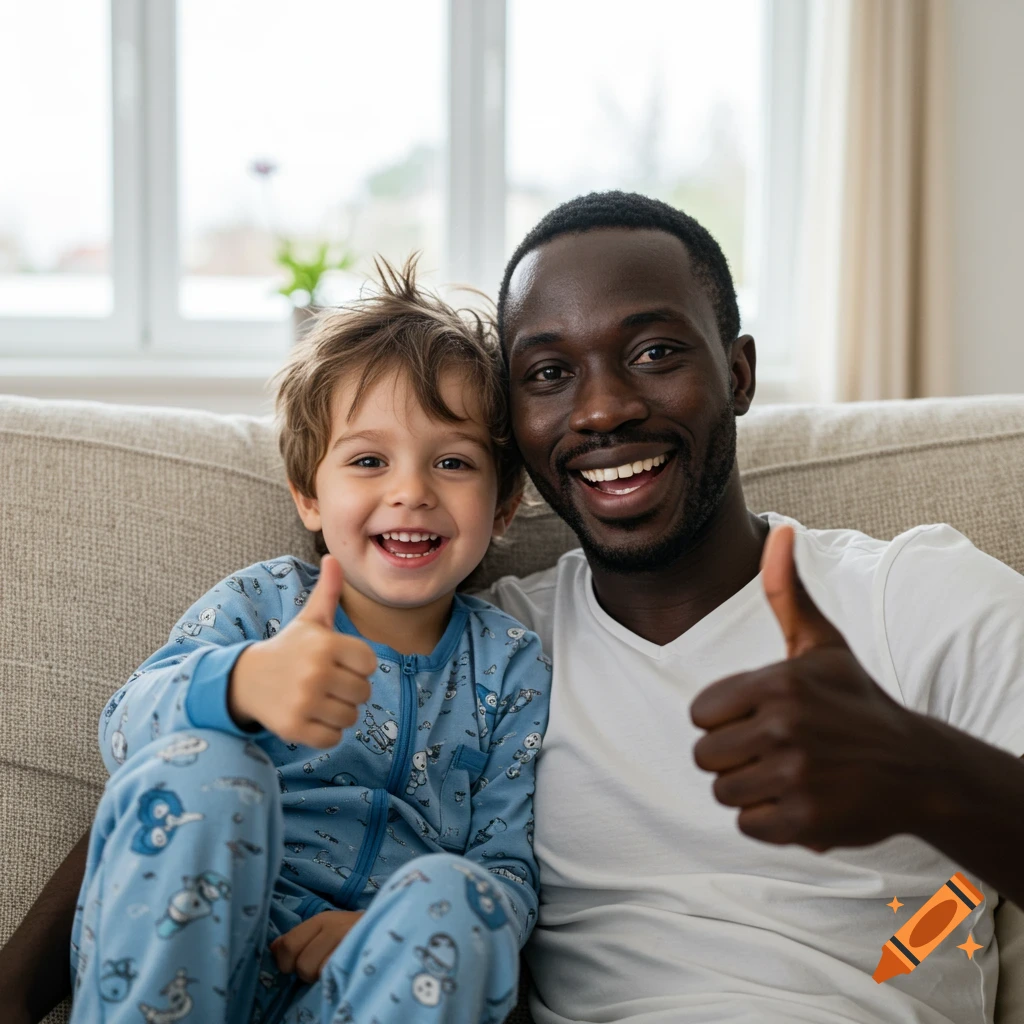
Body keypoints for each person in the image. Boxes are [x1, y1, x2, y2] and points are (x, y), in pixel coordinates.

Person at [5, 191, 1024, 1024]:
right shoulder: (510, 631)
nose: (601, 406)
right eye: (546, 373)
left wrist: (920, 771)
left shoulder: (910, 595)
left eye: (656, 351)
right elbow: (154, 781)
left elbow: (482, 886)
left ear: (739, 372)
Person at [63, 259, 550, 1024]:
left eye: (453, 462)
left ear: (504, 506)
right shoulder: (263, 603)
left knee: (466, 896)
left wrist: (378, 928)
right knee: (204, 766)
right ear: (308, 493)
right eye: (367, 461)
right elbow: (126, 728)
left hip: (368, 986)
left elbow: (508, 866)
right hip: (196, 959)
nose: (412, 489)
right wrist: (241, 684)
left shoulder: (510, 665)